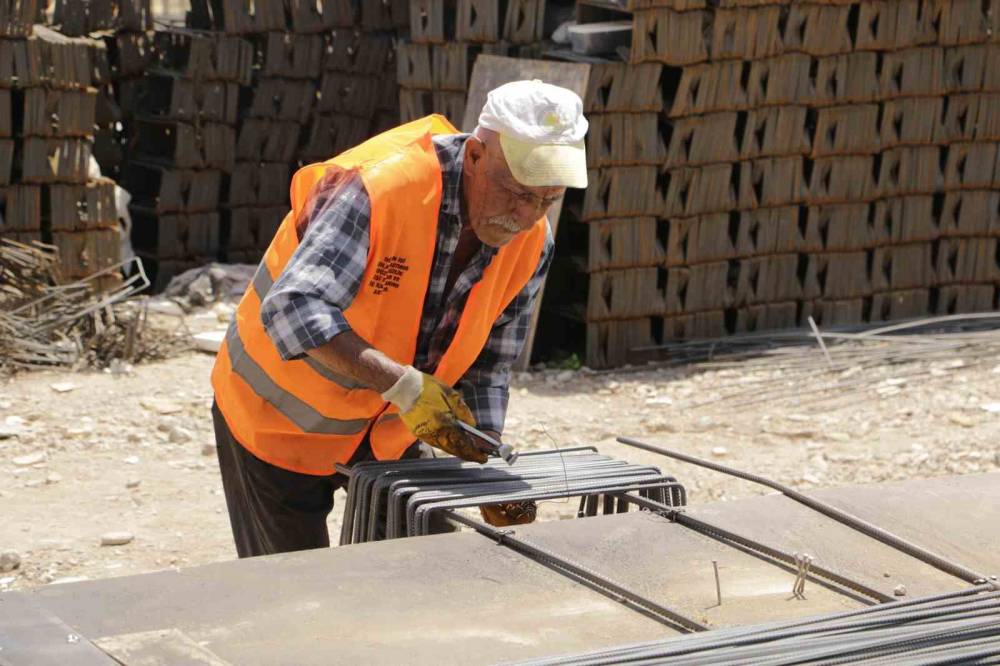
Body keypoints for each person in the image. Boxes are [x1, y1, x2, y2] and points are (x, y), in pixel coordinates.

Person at [210, 80, 589, 557]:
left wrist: (486, 455)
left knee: (418, 569)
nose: (525, 215)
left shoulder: (532, 242)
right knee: (296, 588)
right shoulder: (380, 189)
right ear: (475, 155)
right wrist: (404, 386)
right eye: (515, 192)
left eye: (546, 200)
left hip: (388, 430)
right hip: (275, 421)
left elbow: (490, 362)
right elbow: (293, 308)